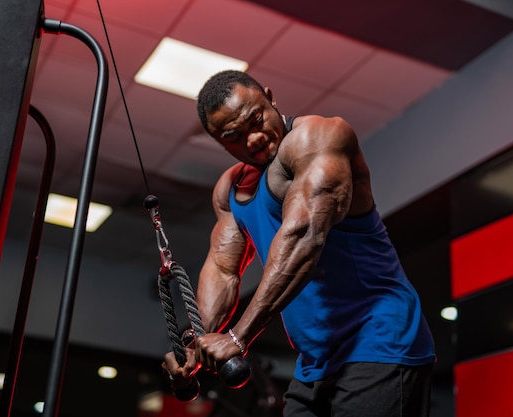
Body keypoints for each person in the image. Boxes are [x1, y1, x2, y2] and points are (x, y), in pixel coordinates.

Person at [162, 70, 436, 416]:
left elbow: (305, 237)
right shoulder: (230, 189)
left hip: (380, 341)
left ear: (271, 98)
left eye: (257, 119)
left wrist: (238, 336)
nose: (254, 139)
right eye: (234, 136)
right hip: (315, 361)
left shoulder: (320, 138)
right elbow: (223, 268)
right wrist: (195, 343)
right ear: (220, 142)